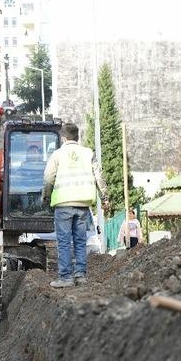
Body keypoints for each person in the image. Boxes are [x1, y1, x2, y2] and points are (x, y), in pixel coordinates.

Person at [42, 123, 108, 288]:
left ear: (63, 138)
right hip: (83, 204)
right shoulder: (88, 153)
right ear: (77, 137)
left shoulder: (57, 155)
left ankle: (65, 277)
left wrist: (45, 196)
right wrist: (105, 197)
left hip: (63, 204)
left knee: (64, 241)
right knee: (80, 240)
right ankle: (80, 275)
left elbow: (49, 178)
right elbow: (99, 177)